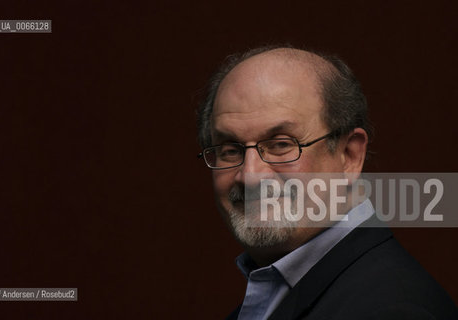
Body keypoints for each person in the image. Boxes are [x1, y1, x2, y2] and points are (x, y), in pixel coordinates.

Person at [196, 46, 458, 320]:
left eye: (281, 144)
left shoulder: (394, 311)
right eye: (230, 150)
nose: (250, 175)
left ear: (349, 156)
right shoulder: (274, 299)